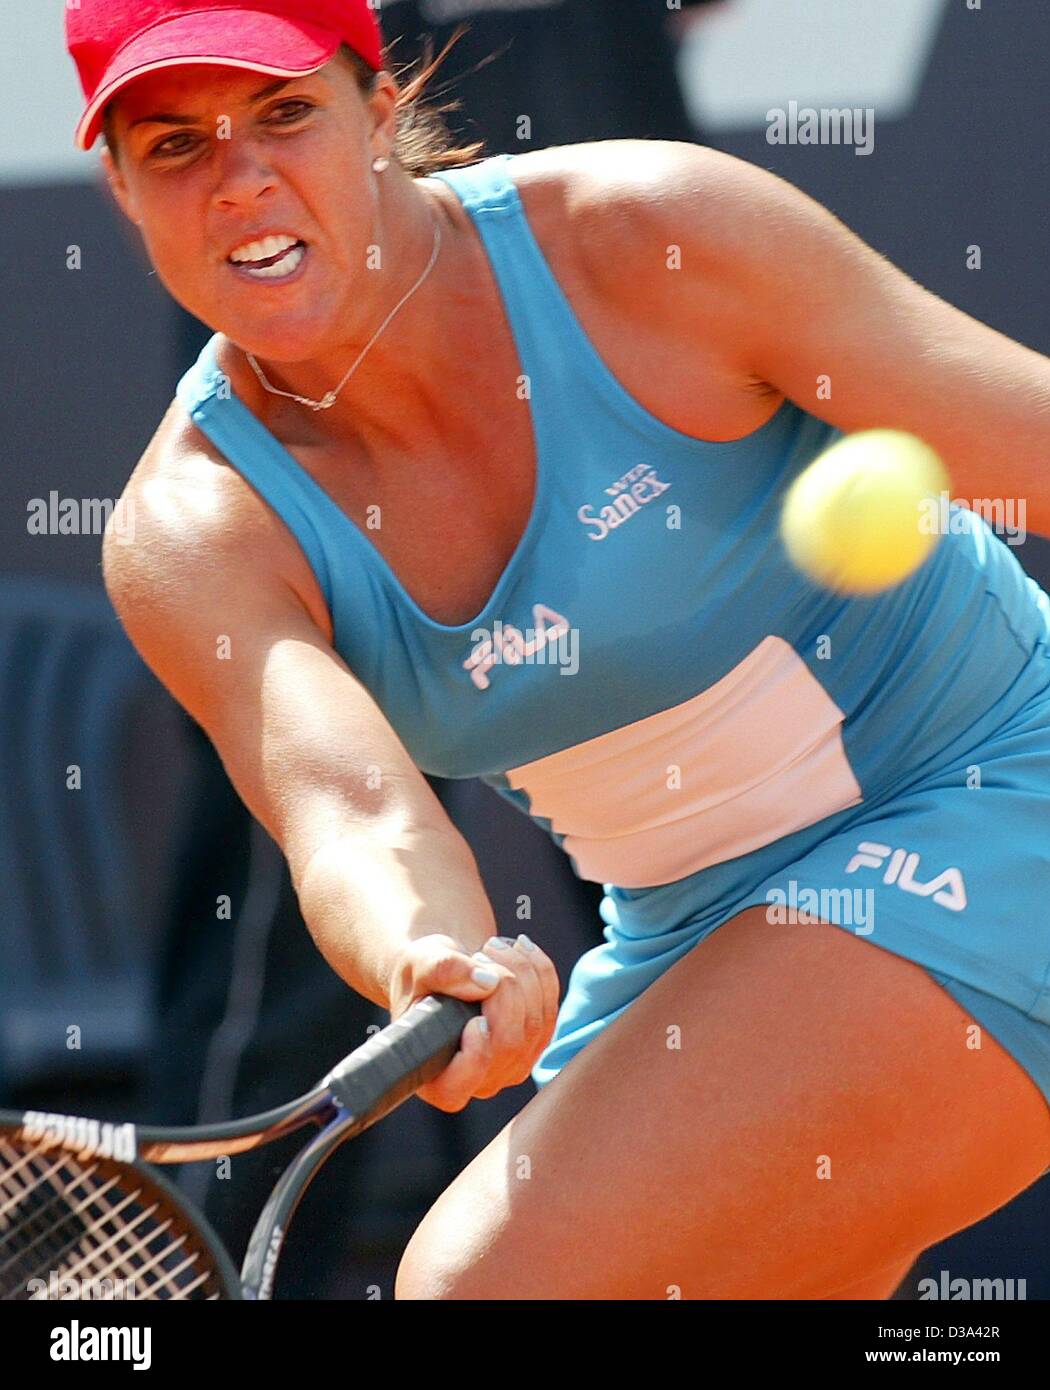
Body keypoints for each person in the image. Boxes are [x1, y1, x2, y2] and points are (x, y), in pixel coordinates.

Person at [66, 0, 1050, 1299]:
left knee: (487, 1283)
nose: (239, 179)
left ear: (381, 106)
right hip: (691, 937)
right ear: (121, 189)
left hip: (989, 792)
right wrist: (429, 953)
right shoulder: (191, 531)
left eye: (285, 112)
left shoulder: (649, 237)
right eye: (174, 143)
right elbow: (355, 815)